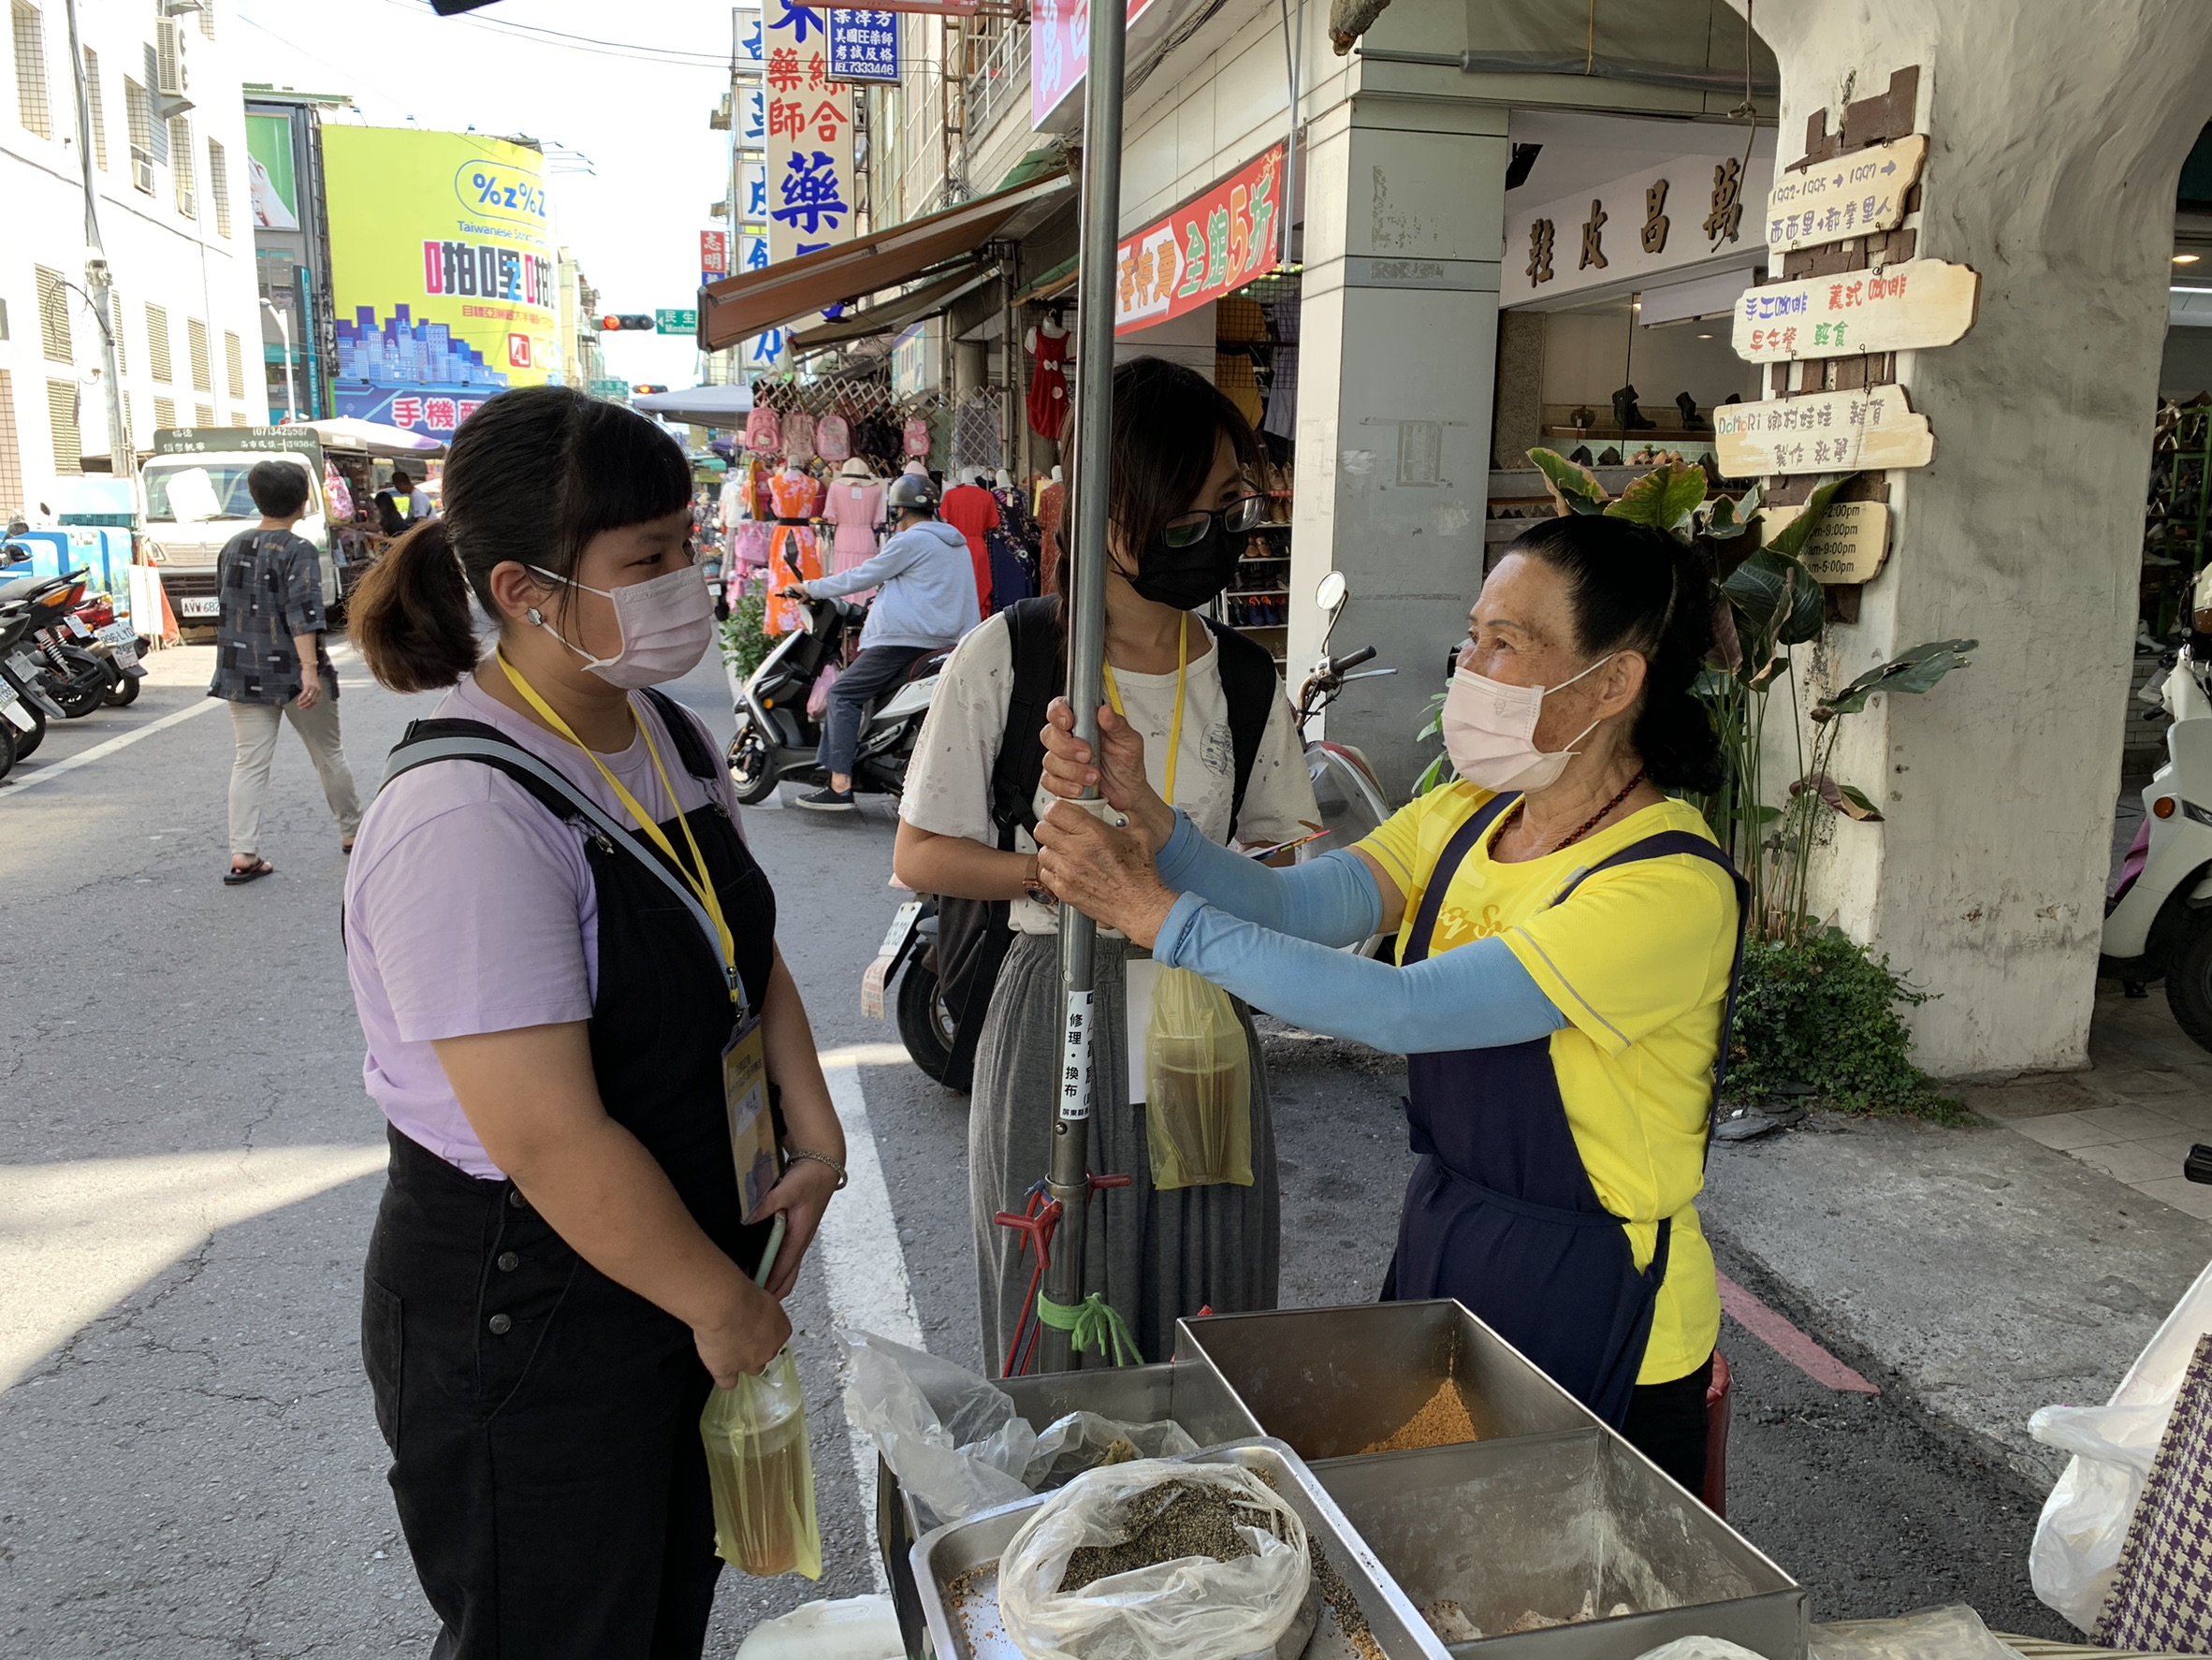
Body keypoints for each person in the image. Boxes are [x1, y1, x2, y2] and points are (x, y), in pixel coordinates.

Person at [1031, 512, 1745, 1493]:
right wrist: (1162, 835)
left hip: (1605, 1294)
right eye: (1473, 633)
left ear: (1613, 681)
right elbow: (1301, 904)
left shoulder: (1666, 885)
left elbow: (1405, 1008)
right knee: (1422, 1539)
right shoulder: (1468, 811)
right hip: (1452, 1243)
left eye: (1507, 641)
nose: (1470, 663)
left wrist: (1159, 917)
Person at [341, 385, 847, 1658]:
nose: (689, 578)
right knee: (561, 1626)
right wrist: (720, 1307)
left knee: (658, 1601)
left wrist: (815, 1120)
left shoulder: (664, 730)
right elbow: (550, 1136)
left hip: (667, 1251)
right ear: (526, 588)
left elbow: (745, 947)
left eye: (689, 542)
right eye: (650, 560)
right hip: (538, 1296)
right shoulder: (468, 812)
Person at [895, 356, 1319, 1373]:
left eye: (1229, 505)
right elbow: (922, 852)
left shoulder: (1247, 679)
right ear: (1110, 506)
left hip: (1203, 1001)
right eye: (1189, 507)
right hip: (1057, 999)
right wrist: (1056, 875)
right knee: (1061, 1289)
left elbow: (1295, 853)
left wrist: (1188, 864)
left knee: (1210, 1283)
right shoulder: (1008, 656)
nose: (1215, 533)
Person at [787, 471, 979, 813]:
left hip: (902, 641)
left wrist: (811, 588)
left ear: (899, 512)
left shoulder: (911, 541)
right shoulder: (956, 544)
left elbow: (865, 574)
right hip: (944, 643)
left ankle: (840, 784)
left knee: (843, 694)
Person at [210, 459, 361, 884]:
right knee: (328, 753)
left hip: (243, 671)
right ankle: (352, 832)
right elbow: (302, 613)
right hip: (295, 673)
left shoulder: (233, 546)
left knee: (250, 761)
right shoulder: (299, 550)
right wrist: (310, 670)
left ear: (256, 499)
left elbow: (229, 606)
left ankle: (243, 852)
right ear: (302, 500)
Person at [939, 468, 1000, 619]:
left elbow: (944, 520)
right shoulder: (987, 496)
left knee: (956, 587)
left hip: (956, 545)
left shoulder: (951, 495)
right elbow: (993, 523)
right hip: (979, 546)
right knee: (980, 587)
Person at [372, 468, 430, 537]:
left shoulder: (417, 497)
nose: (397, 489)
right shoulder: (414, 496)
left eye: (397, 486)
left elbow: (422, 520)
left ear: (401, 483)